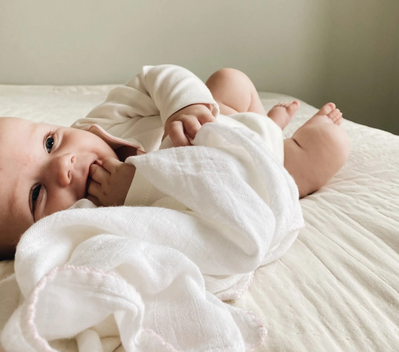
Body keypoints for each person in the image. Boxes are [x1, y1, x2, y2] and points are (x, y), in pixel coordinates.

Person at [0, 65, 350, 260]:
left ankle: (262, 121)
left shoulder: (102, 121)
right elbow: (204, 229)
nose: (63, 166)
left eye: (50, 142)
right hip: (251, 168)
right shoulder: (106, 229)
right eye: (36, 195)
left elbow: (152, 78)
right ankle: (275, 136)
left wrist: (184, 106)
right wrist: (138, 190)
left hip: (217, 123)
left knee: (228, 80)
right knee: (327, 145)